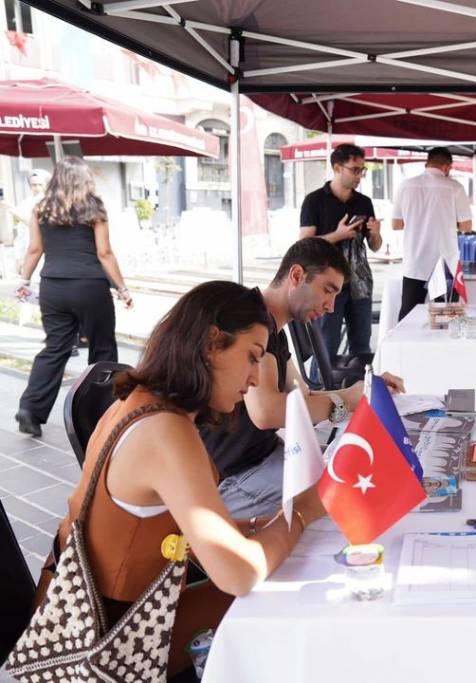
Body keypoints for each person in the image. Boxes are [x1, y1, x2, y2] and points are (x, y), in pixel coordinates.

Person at [35, 281, 328, 677]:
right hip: (119, 642)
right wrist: (302, 513)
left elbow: (159, 527)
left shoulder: (138, 401)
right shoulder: (166, 431)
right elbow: (238, 573)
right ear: (211, 342)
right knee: (292, 607)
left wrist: (259, 524)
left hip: (108, 616)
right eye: (252, 357)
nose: (256, 378)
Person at [200, 238, 405, 518]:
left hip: (264, 459)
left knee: (364, 474)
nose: (331, 306)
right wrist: (344, 401)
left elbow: (301, 396)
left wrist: (363, 391)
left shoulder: (274, 329)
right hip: (236, 476)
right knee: (355, 498)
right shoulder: (250, 321)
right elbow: (267, 412)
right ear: (297, 276)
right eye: (327, 290)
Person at [14, 157, 133, 438]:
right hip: (90, 286)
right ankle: (100, 413)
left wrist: (23, 280)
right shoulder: (94, 208)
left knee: (55, 348)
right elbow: (104, 253)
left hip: (53, 288)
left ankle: (30, 409)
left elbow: (34, 249)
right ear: (84, 179)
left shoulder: (41, 209)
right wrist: (122, 288)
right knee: (102, 350)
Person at [299, 143, 380, 385]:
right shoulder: (315, 201)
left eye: (362, 170)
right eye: (355, 170)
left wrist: (375, 233)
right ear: (337, 167)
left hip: (359, 282)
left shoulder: (364, 202)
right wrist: (338, 235)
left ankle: (358, 393)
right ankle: (318, 394)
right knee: (326, 344)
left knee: (361, 345)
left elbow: (374, 245)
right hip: (324, 284)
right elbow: (304, 244)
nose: (359, 176)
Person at [392, 147, 473, 321]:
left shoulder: (405, 186)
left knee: (408, 314)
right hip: (446, 263)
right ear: (447, 166)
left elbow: (396, 224)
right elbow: (466, 226)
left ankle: (404, 347)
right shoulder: (455, 187)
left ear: (426, 163)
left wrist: (417, 220)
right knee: (448, 316)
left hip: (415, 260)